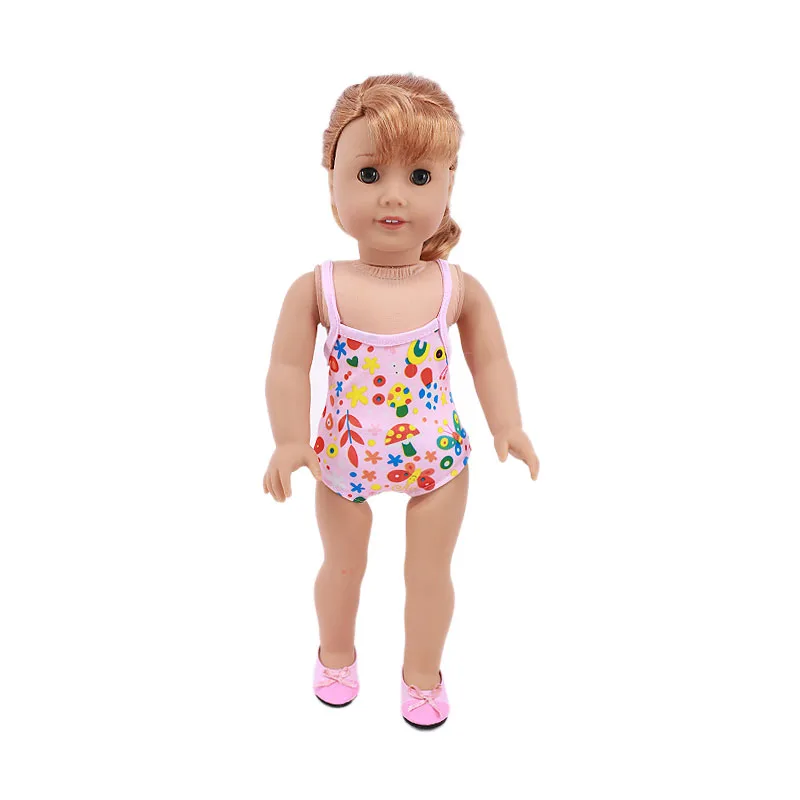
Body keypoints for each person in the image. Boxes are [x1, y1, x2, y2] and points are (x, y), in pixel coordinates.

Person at [263, 73, 539, 729]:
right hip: (342, 456)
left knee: (430, 573)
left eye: (419, 177)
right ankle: (336, 655)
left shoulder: (456, 288)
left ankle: (422, 674)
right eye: (368, 175)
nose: (393, 196)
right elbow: (287, 367)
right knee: (342, 565)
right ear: (332, 184)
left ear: (448, 186)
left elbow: (491, 360)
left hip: (435, 457)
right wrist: (289, 439)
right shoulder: (319, 287)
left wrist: (508, 424)